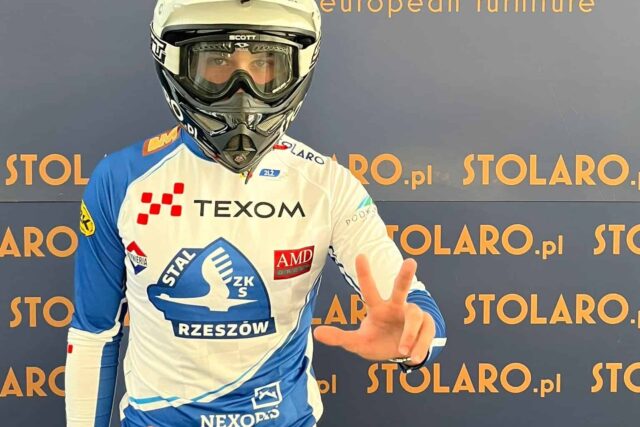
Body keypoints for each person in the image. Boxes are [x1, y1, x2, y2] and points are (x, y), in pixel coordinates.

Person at [64, 0, 447, 425]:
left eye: (265, 63)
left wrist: (414, 340)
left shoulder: (326, 185)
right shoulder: (121, 180)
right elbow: (93, 333)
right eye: (217, 61)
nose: (241, 90)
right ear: (175, 64)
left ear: (296, 69)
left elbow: (418, 310)